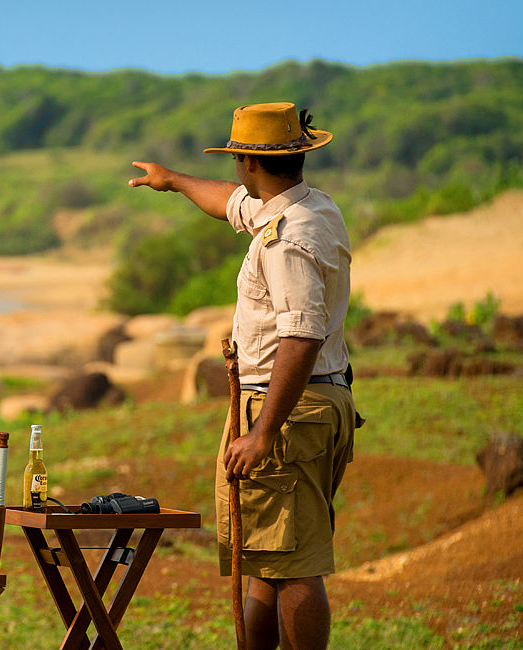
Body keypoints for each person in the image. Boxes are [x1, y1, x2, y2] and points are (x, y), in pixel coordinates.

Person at [129, 102, 358, 650]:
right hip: (313, 403)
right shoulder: (311, 208)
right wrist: (174, 181)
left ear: (249, 162)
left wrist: (263, 431)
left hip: (288, 413)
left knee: (295, 563)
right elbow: (232, 205)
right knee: (266, 559)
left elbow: (300, 335)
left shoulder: (286, 239)